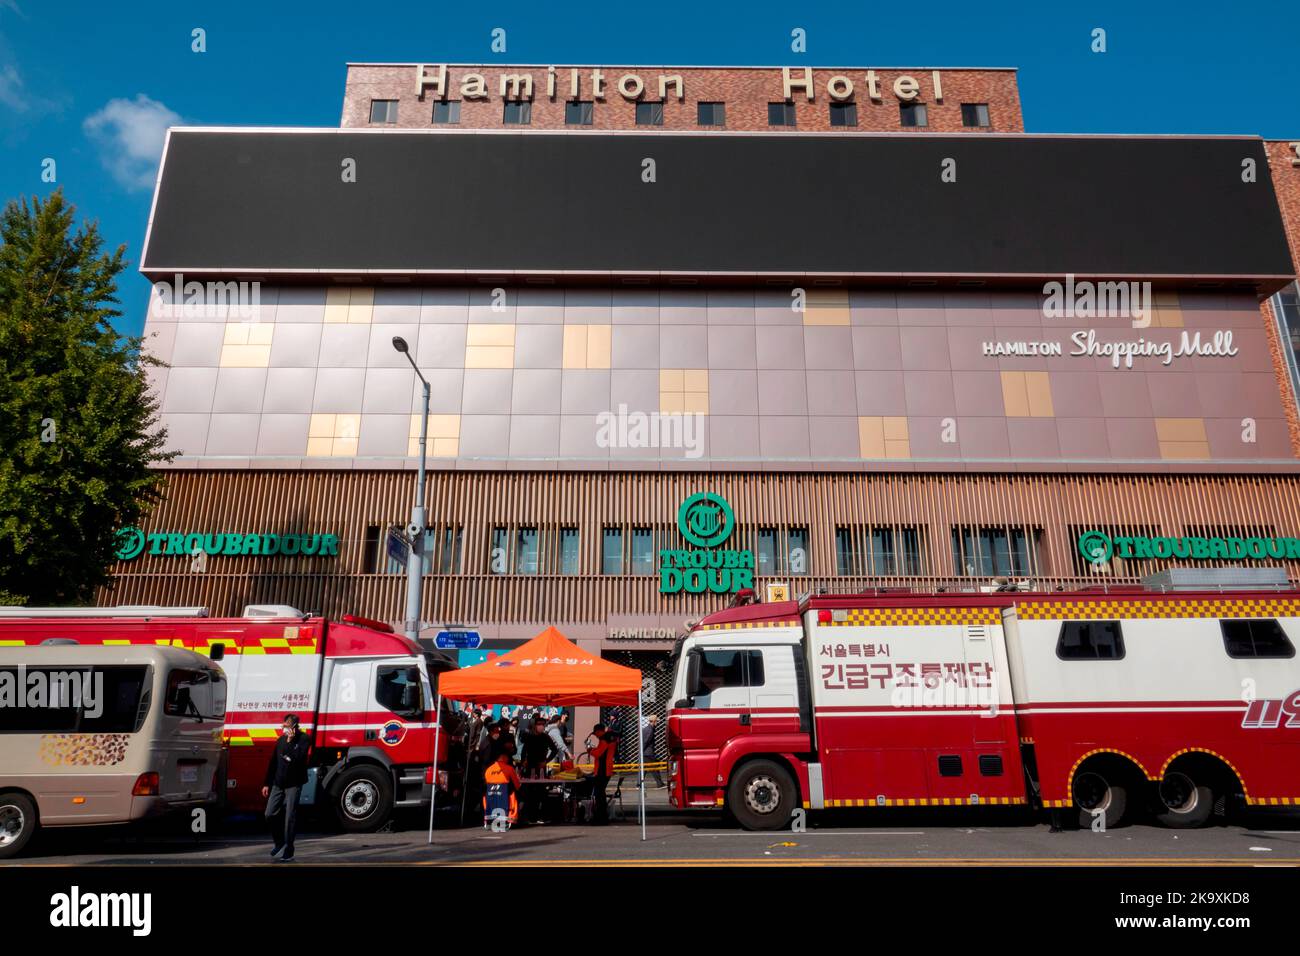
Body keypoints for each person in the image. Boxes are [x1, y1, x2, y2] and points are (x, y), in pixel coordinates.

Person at [262, 714, 310, 862]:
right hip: (278, 783)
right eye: (285, 726)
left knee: (290, 817)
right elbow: (273, 763)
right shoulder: (280, 740)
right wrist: (267, 783)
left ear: (295, 727)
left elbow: (297, 759)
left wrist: (291, 741)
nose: (285, 729)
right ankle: (279, 842)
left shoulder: (303, 739)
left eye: (289, 726)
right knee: (269, 814)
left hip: (294, 783)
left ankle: (289, 849)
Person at [520, 717, 559, 823]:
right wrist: (523, 761)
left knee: (541, 791)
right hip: (529, 768)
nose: (541, 726)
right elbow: (524, 750)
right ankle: (530, 816)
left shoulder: (546, 737)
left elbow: (555, 750)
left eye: (543, 724)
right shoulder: (529, 737)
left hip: (541, 767)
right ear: (534, 725)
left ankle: (542, 816)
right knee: (529, 792)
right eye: (539, 724)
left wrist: (546, 761)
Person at [483, 750, 521, 829]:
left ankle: (490, 820)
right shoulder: (509, 768)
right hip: (505, 799)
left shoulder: (488, 770)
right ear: (504, 757)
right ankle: (511, 818)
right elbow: (517, 785)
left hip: (491, 799)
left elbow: (485, 784)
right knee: (515, 794)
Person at [588, 723, 617, 825]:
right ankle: (602, 817)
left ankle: (601, 818)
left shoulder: (604, 739)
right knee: (601, 794)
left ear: (599, 731)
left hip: (602, 770)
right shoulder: (610, 738)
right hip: (607, 769)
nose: (596, 736)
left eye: (596, 734)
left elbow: (599, 753)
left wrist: (590, 750)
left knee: (599, 795)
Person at [641, 713, 666, 788]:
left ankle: (639, 784)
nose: (657, 723)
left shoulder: (646, 729)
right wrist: (642, 751)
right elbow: (646, 741)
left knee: (644, 769)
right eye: (657, 721)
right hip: (648, 752)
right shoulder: (650, 730)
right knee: (654, 768)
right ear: (654, 721)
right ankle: (660, 784)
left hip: (645, 752)